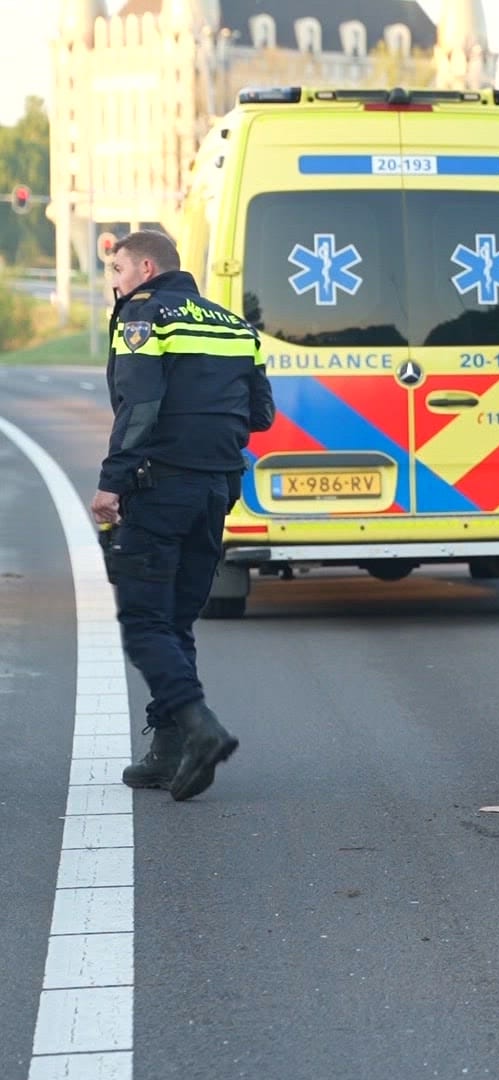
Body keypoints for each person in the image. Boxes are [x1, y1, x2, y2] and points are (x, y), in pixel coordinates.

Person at [90, 231, 275, 800]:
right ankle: (167, 753)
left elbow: (139, 406)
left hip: (162, 486)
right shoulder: (234, 326)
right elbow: (262, 414)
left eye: (117, 269)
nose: (114, 281)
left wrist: (111, 483)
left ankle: (200, 730)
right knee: (173, 619)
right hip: (218, 488)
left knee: (145, 621)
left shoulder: (143, 317)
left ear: (146, 267)